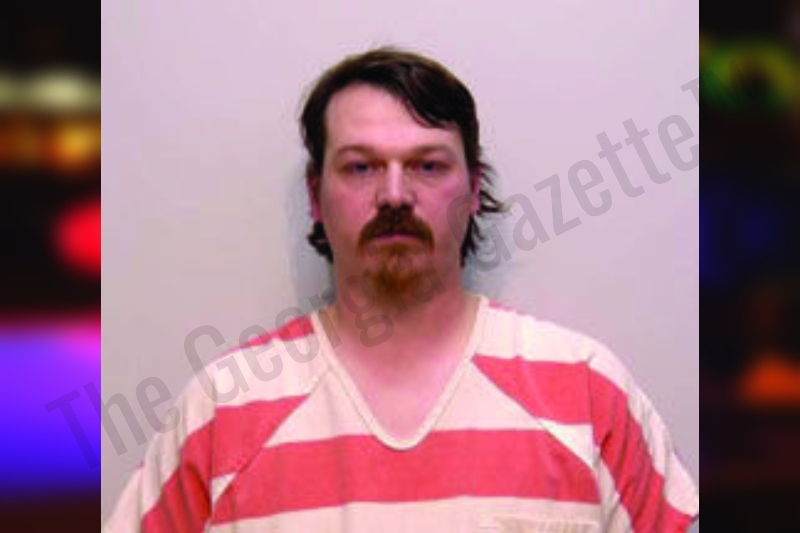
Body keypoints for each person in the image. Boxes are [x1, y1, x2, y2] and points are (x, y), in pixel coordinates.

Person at [105, 47, 699, 532]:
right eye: (360, 167)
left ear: (473, 189)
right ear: (316, 196)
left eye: (428, 165)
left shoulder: (586, 392)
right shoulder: (223, 410)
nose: (394, 195)